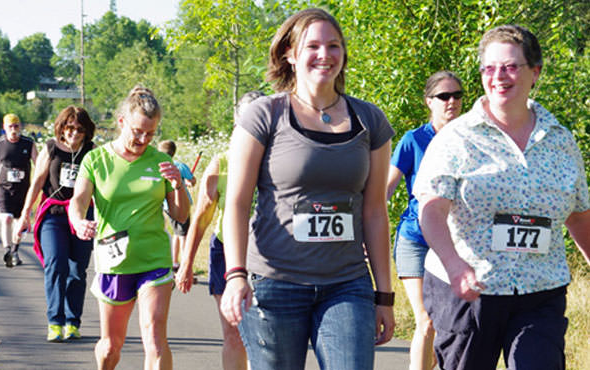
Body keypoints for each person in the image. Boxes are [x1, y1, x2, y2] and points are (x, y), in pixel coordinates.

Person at [219, 8, 395, 370]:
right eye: (312, 45)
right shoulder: (264, 115)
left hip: (346, 283)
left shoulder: (370, 120)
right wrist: (235, 275)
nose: (324, 55)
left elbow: (375, 211)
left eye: (334, 46)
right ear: (290, 53)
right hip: (274, 283)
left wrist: (385, 296)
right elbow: (236, 204)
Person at [414, 25, 590, 370]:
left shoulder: (561, 140)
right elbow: (432, 209)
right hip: (468, 289)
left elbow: (579, 215)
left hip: (540, 290)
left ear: (535, 72)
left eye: (510, 66)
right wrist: (454, 264)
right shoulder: (456, 138)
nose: (499, 76)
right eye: (489, 68)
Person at [69, 85, 189, 370]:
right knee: (111, 347)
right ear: (122, 122)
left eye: (150, 133)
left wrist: (178, 185)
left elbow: (180, 215)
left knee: (155, 339)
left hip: (154, 259)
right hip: (115, 261)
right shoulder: (96, 160)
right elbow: (78, 200)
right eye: (138, 131)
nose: (144, 139)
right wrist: (78, 222)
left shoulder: (161, 162)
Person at [175, 90, 264, 370]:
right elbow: (201, 218)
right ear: (237, 123)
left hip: (270, 256)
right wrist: (187, 263)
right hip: (226, 251)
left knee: (267, 335)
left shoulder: (281, 160)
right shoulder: (221, 164)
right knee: (235, 333)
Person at [385, 71, 463, 370]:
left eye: (457, 95)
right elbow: (386, 190)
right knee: (427, 320)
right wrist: (368, 232)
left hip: (456, 243)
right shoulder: (414, 140)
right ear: (429, 101)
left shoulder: (471, 138)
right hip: (415, 240)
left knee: (452, 324)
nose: (451, 101)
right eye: (444, 96)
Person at [15, 106, 96, 343]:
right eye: (70, 128)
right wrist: (25, 214)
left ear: (86, 131)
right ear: (62, 127)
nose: (74, 133)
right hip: (54, 214)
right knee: (56, 263)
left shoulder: (91, 151)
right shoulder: (50, 148)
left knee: (77, 271)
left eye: (79, 129)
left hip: (81, 215)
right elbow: (38, 182)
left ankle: (72, 321)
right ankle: (55, 321)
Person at [0, 113, 38, 268]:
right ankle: (8, 250)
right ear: (4, 128)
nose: (13, 130)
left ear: (20, 127)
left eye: (16, 126)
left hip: (23, 189)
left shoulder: (28, 144)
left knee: (19, 222)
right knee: (6, 219)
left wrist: (38, 186)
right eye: (10, 127)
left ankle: (15, 250)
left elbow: (39, 165)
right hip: (3, 187)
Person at [156, 139, 196, 271]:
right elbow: (192, 180)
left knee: (176, 234)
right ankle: (185, 264)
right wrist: (190, 182)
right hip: (180, 205)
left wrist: (188, 181)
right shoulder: (179, 166)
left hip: (167, 206)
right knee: (183, 235)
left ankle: (174, 262)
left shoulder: (159, 167)